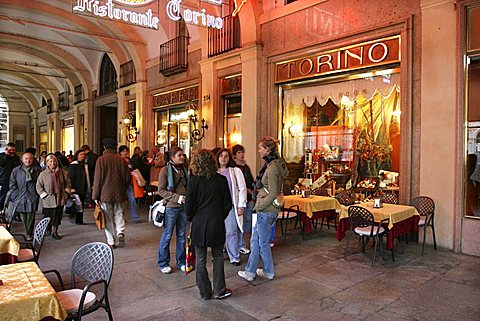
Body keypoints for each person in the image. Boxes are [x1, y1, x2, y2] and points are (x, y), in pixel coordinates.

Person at [238, 137, 288, 282]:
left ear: (267, 149)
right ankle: (258, 271)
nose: (259, 150)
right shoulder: (276, 164)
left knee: (261, 242)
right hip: (269, 210)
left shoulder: (272, 168)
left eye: (261, 148)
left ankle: (259, 272)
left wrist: (258, 206)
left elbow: (272, 192)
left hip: (266, 210)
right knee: (258, 241)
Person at [185, 149, 233, 300]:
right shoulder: (221, 180)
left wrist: (193, 217)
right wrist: (219, 216)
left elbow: (188, 208)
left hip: (199, 224)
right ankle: (219, 290)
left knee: (200, 259)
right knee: (218, 256)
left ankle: (205, 292)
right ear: (213, 162)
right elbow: (227, 205)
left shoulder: (193, 182)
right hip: (216, 222)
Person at [92, 138, 131, 249]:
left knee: (107, 218)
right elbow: (127, 178)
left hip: (105, 194)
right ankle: (120, 232)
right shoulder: (122, 160)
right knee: (119, 214)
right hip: (120, 193)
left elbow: (98, 180)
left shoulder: (101, 160)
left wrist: (95, 196)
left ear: (104, 147)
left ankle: (111, 241)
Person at [157, 146, 188, 274]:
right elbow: (161, 190)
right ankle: (163, 262)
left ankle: (181, 261)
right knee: (167, 235)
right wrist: (178, 198)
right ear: (172, 157)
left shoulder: (184, 170)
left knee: (182, 235)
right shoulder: (165, 170)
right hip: (171, 207)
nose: (182, 157)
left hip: (183, 208)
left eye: (183, 155)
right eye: (179, 155)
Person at [216, 148, 247, 266]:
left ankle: (234, 256)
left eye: (226, 156)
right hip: (217, 207)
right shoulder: (214, 172)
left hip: (230, 206)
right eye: (221, 156)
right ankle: (217, 254)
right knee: (218, 232)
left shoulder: (235, 171)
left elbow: (242, 188)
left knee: (231, 232)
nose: (223, 158)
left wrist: (241, 205)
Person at [36, 153, 71, 240]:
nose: (52, 163)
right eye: (50, 161)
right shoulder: (43, 174)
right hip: (48, 200)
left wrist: (66, 194)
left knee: (57, 217)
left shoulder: (63, 173)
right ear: (47, 163)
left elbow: (68, 183)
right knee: (48, 217)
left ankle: (54, 232)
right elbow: (38, 186)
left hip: (60, 198)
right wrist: (44, 195)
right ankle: (47, 229)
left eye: (54, 161)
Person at [9, 152, 41, 241]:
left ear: (33, 159)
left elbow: (40, 183)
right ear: (22, 160)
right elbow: (12, 184)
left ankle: (29, 233)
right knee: (23, 215)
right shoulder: (16, 170)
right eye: (26, 159)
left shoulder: (37, 170)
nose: (28, 160)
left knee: (31, 215)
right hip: (20, 196)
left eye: (30, 158)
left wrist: (37, 194)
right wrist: (16, 195)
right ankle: (28, 232)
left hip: (32, 196)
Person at [232, 144, 255, 254]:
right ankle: (239, 243)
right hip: (240, 198)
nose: (241, 154)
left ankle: (240, 241)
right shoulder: (234, 169)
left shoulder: (245, 166)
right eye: (239, 153)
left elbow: (250, 179)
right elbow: (239, 185)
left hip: (249, 198)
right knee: (239, 222)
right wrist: (248, 190)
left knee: (248, 221)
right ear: (235, 156)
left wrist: (254, 190)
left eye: (242, 152)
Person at [119, 145, 140, 223]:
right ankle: (121, 217)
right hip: (120, 183)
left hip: (128, 182)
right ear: (120, 152)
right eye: (123, 151)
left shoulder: (129, 160)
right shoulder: (119, 160)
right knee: (121, 201)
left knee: (132, 198)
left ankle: (134, 216)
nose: (125, 153)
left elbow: (133, 168)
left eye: (126, 151)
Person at [68, 149, 89, 224]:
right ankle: (77, 219)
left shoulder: (85, 165)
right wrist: (72, 187)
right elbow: (71, 177)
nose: (83, 156)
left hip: (83, 187)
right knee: (78, 204)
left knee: (81, 204)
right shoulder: (73, 165)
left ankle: (79, 219)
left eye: (84, 155)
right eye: (81, 154)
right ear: (77, 156)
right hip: (76, 187)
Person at [0, 142, 21, 211]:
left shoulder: (16, 157)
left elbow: (17, 167)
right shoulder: (1, 156)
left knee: (16, 198)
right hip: (3, 180)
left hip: (13, 181)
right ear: (6, 149)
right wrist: (6, 155)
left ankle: (16, 214)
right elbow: (1, 163)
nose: (11, 152)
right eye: (10, 150)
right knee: (1, 198)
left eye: (13, 150)